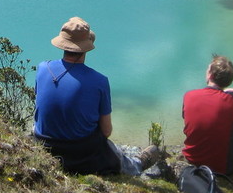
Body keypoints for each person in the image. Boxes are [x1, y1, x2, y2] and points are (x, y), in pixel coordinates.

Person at [33, 16, 148, 175]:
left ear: (62, 44)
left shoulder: (42, 68)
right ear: (86, 48)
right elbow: (106, 131)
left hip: (43, 144)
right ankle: (138, 164)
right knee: (115, 154)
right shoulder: (99, 81)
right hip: (80, 152)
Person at [181, 54, 233, 175]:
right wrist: (230, 91)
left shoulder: (189, 95)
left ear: (210, 75)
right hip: (224, 169)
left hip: (192, 161)